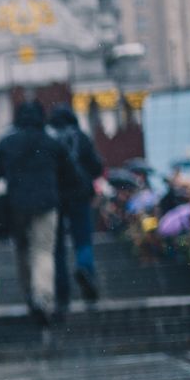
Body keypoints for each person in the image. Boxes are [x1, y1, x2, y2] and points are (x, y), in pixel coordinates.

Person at [0, 101, 84, 326]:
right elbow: (71, 174)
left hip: (16, 205)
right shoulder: (51, 143)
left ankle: (29, 297)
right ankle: (43, 298)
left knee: (22, 251)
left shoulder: (7, 142)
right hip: (47, 204)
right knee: (43, 251)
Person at [48, 104, 105, 307]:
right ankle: (85, 269)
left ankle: (62, 288)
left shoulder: (50, 139)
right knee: (83, 238)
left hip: (56, 197)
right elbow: (97, 166)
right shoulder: (81, 137)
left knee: (58, 245)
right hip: (80, 195)